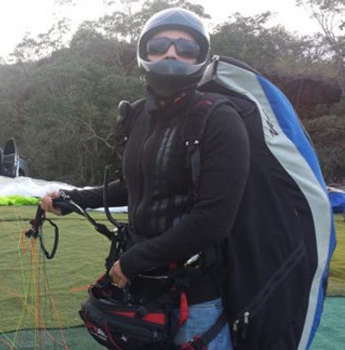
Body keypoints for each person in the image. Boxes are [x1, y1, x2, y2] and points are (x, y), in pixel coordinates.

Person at [42, 7, 249, 350]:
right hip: (138, 283)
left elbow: (213, 220)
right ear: (144, 52)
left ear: (201, 57)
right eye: (161, 45)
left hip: (193, 294)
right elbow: (134, 186)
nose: (172, 53)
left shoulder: (219, 119)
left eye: (186, 48)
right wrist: (73, 199)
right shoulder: (138, 115)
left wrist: (136, 260)